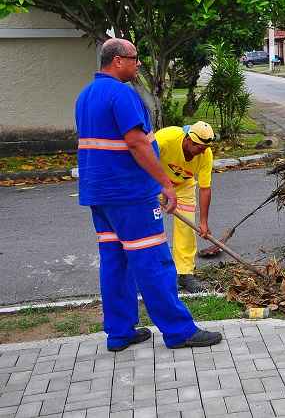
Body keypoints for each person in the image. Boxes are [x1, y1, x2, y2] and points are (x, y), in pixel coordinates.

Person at [75, 38, 222, 351]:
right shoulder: (122, 94)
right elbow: (138, 143)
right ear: (117, 61)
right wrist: (164, 184)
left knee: (115, 261)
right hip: (130, 194)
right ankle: (179, 331)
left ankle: (119, 332)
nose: (138, 64)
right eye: (134, 58)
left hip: (99, 194)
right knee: (153, 261)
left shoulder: (85, 96)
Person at [155, 121, 215, 293]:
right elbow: (143, 160)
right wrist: (162, 188)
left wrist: (203, 222)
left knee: (187, 227)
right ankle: (151, 271)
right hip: (155, 181)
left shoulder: (205, 154)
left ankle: (185, 273)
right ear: (188, 139)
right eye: (199, 147)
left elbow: (205, 189)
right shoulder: (165, 138)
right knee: (149, 223)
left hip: (183, 185)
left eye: (205, 148)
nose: (202, 152)